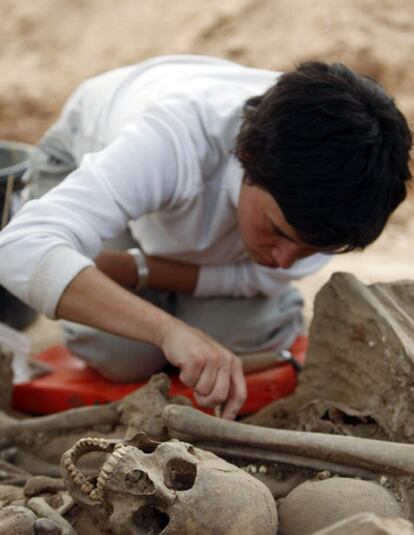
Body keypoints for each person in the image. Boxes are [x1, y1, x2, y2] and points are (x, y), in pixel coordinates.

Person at [0, 55, 411, 419]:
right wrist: (167, 331)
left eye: (312, 250)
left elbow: (251, 277)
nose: (287, 261)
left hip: (184, 226)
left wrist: (130, 271)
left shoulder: (333, 198)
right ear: (247, 159)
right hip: (93, 156)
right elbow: (19, 249)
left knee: (232, 348)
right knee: (124, 356)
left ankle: (233, 307)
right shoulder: (176, 136)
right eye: (278, 231)